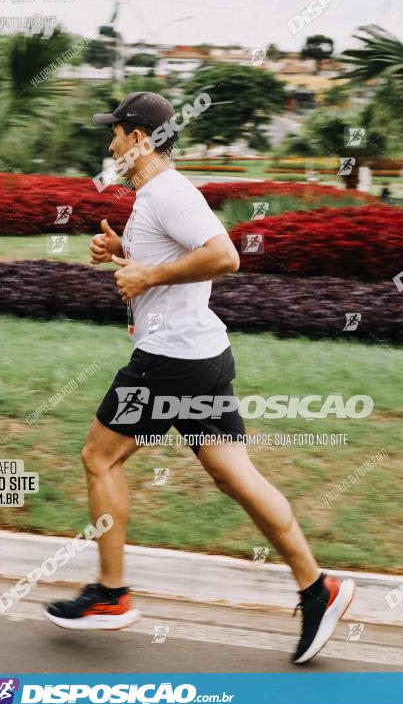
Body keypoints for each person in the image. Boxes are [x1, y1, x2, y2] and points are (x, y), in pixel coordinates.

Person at [45, 91, 355, 664]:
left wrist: (145, 277)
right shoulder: (152, 197)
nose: (108, 144)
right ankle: (320, 588)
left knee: (99, 458)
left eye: (114, 133)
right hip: (201, 357)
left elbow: (224, 256)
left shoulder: (169, 193)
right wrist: (123, 251)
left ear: (139, 139)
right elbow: (172, 261)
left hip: (170, 361)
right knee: (236, 476)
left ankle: (112, 596)